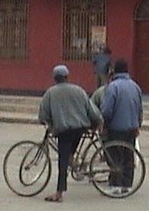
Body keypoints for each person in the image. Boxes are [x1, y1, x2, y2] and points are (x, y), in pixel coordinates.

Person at [38, 64, 102, 203]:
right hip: (80, 128)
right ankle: (74, 162)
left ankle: (59, 193)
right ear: (67, 77)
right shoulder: (78, 90)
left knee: (63, 160)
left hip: (65, 131)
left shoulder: (51, 93)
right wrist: (98, 121)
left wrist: (47, 123)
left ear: (55, 78)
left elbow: (43, 113)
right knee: (69, 154)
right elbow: (91, 109)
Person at [101, 58, 143, 194]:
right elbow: (140, 109)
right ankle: (127, 185)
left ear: (115, 71)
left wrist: (104, 123)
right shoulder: (135, 86)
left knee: (115, 156)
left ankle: (116, 185)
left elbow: (107, 110)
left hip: (116, 128)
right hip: (132, 127)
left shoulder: (113, 87)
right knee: (128, 156)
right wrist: (138, 125)